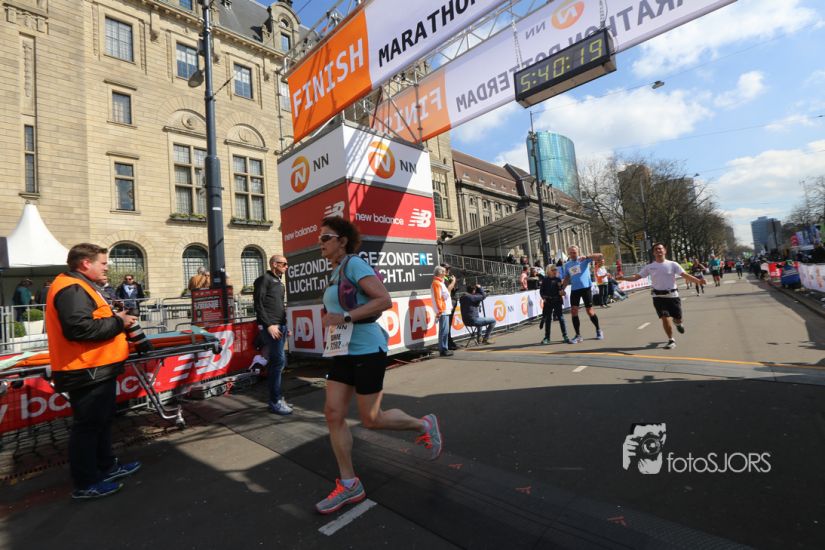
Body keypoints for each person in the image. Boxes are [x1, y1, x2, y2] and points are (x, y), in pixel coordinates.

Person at [315, 216, 442, 515]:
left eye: (325, 238)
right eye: (320, 238)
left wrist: (345, 317)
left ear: (342, 241)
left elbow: (383, 300)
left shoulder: (354, 264)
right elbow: (336, 308)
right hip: (342, 350)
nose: (319, 243)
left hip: (367, 348)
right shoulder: (334, 272)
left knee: (371, 419)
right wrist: (329, 318)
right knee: (333, 413)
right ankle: (350, 484)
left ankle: (424, 424)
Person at [45, 243, 142, 499]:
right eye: (103, 263)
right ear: (86, 263)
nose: (107, 267)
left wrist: (115, 319)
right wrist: (119, 321)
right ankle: (86, 482)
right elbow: (79, 329)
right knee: (88, 426)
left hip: (95, 367)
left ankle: (106, 467)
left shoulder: (80, 286)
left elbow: (89, 322)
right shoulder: (71, 288)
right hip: (85, 368)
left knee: (101, 421)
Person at [617, 243, 706, 350]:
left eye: (660, 249)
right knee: (664, 318)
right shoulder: (650, 267)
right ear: (653, 253)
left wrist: (698, 281)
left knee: (678, 319)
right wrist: (623, 278)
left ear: (665, 251)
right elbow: (636, 277)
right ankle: (671, 340)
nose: (658, 251)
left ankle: (678, 324)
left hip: (672, 296)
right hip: (658, 297)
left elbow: (685, 275)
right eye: (656, 249)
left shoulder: (673, 264)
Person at [253, 254, 292, 416]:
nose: (286, 266)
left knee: (278, 362)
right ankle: (275, 401)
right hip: (271, 327)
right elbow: (258, 304)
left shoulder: (279, 282)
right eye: (284, 264)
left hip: (280, 326)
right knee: (278, 361)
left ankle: (278, 398)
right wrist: (268, 325)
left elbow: (279, 306)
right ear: (274, 264)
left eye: (286, 264)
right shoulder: (264, 280)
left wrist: (285, 325)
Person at [561, 245, 604, 343]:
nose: (573, 254)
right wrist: (562, 288)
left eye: (574, 252)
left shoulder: (584, 260)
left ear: (578, 252)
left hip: (586, 288)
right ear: (568, 253)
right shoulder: (567, 265)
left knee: (589, 311)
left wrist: (587, 257)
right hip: (575, 289)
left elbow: (600, 256)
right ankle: (578, 335)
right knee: (574, 311)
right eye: (571, 253)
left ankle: (598, 330)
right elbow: (567, 278)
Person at [539, 265, 570, 344]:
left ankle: (565, 336)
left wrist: (563, 292)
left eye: (556, 270)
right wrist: (543, 298)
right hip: (548, 302)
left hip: (557, 301)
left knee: (561, 318)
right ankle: (547, 337)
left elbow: (561, 290)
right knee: (548, 320)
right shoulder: (545, 280)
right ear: (549, 270)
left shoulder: (558, 279)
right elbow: (541, 291)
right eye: (554, 270)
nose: (555, 271)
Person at [431, 265, 455, 357]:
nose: (446, 273)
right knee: (444, 331)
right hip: (443, 310)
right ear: (440, 273)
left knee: (445, 330)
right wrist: (440, 310)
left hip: (444, 310)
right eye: (444, 272)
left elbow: (443, 296)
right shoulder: (437, 283)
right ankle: (443, 349)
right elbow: (438, 298)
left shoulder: (439, 282)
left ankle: (444, 348)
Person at [442, 264, 459, 351]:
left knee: (448, 324)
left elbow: (453, 289)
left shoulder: (447, 277)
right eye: (447, 269)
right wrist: (453, 282)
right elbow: (447, 291)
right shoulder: (442, 279)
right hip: (448, 303)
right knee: (447, 325)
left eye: (449, 269)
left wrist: (453, 282)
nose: (448, 270)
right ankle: (448, 344)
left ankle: (449, 342)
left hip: (452, 301)